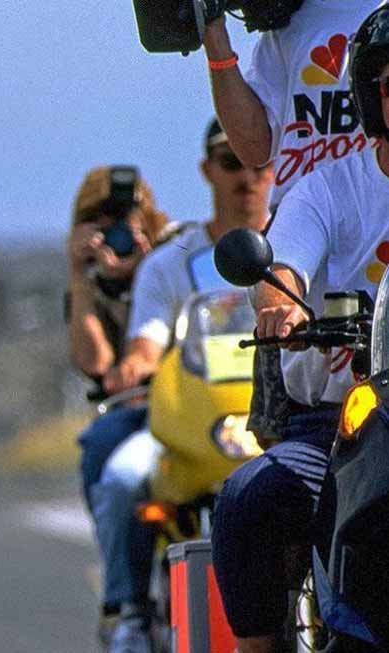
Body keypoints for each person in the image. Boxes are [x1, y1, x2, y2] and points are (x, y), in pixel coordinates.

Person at [211, 7, 389, 650]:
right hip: (346, 422)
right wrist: (283, 302)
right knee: (249, 498)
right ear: (373, 97)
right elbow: (283, 259)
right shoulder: (326, 185)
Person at [95, 119, 273, 652]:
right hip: (191, 427)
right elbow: (148, 340)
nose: (246, 177)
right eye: (230, 162)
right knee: (124, 477)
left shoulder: (301, 238)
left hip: (274, 420)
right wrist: (135, 365)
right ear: (206, 171)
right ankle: (128, 611)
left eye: (258, 162)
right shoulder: (169, 264)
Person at [201, 0, 382, 446]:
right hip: (303, 237)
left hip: (378, 217)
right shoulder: (290, 17)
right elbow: (255, 147)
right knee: (277, 460)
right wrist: (216, 42)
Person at [65, 165, 169, 643]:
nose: (118, 235)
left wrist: (149, 270)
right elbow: (96, 365)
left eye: (128, 221)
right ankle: (123, 604)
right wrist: (83, 280)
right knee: (101, 449)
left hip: (187, 403)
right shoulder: (91, 283)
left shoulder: (173, 261)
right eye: (102, 222)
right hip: (130, 410)